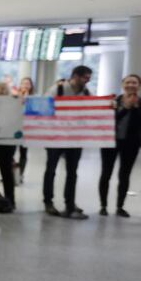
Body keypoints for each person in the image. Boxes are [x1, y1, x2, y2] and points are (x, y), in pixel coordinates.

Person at [43, 65, 93, 219]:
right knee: (51, 169)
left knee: (72, 172)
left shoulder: (86, 92)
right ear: (76, 76)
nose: (87, 81)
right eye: (85, 77)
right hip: (55, 136)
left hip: (75, 137)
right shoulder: (57, 89)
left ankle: (70, 203)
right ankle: (48, 202)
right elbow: (44, 107)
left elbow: (92, 109)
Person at [98, 74, 141, 217]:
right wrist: (126, 108)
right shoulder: (113, 101)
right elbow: (109, 120)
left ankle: (120, 206)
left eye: (134, 83)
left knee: (125, 174)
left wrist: (135, 108)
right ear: (123, 84)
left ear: (139, 86)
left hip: (131, 143)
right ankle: (103, 206)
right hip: (110, 142)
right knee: (106, 173)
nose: (131, 85)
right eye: (128, 82)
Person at [14, 77, 35, 184]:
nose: (26, 85)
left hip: (26, 129)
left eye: (28, 84)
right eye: (24, 83)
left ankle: (20, 174)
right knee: (11, 152)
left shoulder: (33, 98)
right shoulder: (14, 96)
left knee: (23, 153)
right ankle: (11, 172)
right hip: (14, 127)